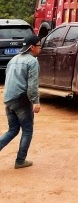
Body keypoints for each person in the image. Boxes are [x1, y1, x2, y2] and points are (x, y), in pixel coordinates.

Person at [0, 33, 41, 169]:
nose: (40, 48)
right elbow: (32, 85)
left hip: (8, 99)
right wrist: (35, 101)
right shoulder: (32, 61)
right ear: (32, 47)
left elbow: (7, 79)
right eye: (39, 45)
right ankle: (20, 160)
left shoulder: (13, 59)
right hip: (21, 100)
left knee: (12, 130)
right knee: (27, 130)